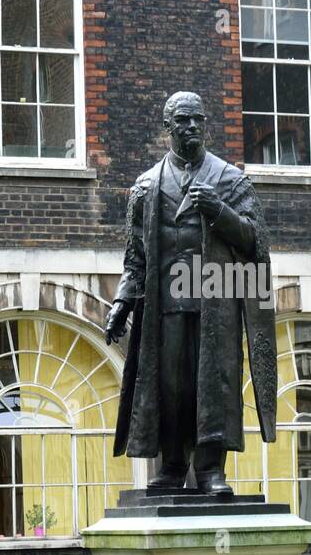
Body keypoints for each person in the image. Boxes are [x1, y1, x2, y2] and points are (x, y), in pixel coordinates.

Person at [105, 91, 278, 495]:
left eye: (198, 120)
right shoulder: (146, 187)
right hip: (164, 306)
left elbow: (257, 242)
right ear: (168, 127)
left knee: (213, 385)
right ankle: (172, 465)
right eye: (183, 121)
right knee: (169, 387)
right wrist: (121, 303)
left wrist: (219, 211)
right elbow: (136, 258)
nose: (192, 128)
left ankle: (211, 469)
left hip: (214, 301)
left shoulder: (230, 180)